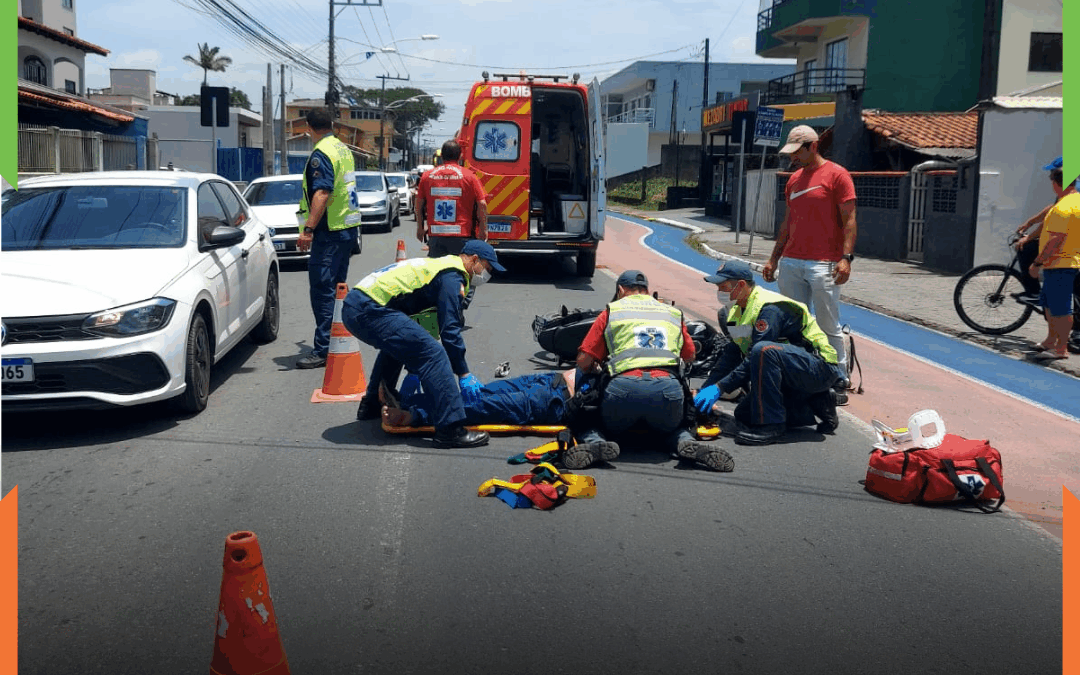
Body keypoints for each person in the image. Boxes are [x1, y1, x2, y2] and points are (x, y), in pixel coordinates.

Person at [343, 240, 505, 448]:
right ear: (475, 260)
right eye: (487, 268)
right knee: (434, 354)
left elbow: (421, 327)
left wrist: (413, 368)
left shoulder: (440, 266)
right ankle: (450, 428)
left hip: (356, 305)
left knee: (399, 345)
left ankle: (372, 405)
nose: (486, 275)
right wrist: (463, 374)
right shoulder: (452, 277)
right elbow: (449, 331)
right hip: (369, 308)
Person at [572, 270, 735, 473]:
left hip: (622, 394)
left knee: (587, 410)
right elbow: (690, 356)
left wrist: (601, 365)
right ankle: (683, 441)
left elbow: (583, 361)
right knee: (674, 427)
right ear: (648, 291)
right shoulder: (672, 313)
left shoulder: (612, 311)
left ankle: (595, 440)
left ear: (620, 289)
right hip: (667, 394)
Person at [694, 260, 844, 446]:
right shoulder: (737, 312)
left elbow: (756, 358)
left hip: (819, 368)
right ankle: (817, 400)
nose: (719, 292)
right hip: (794, 371)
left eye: (723, 287)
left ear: (741, 285)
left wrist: (720, 388)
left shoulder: (769, 309)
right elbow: (732, 354)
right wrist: (706, 389)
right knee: (744, 415)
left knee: (762, 350)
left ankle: (773, 426)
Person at [761, 125, 856, 403]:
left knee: (827, 322)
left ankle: (838, 373)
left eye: (796, 152)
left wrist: (846, 258)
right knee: (793, 322)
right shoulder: (794, 181)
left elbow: (850, 220)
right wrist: (774, 258)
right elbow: (788, 223)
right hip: (791, 261)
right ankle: (801, 370)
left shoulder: (838, 176)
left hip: (824, 263)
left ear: (813, 146)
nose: (792, 158)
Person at [294, 107, 362, 369]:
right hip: (346, 230)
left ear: (308, 127)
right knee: (337, 290)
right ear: (332, 124)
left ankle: (323, 349)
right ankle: (338, 338)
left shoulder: (321, 153)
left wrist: (308, 229)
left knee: (323, 291)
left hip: (329, 232)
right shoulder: (342, 149)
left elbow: (322, 192)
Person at [415, 139, 489, 309]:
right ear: (460, 155)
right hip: (462, 237)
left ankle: (440, 306)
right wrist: (483, 229)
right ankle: (460, 303)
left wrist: (420, 227)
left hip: (436, 237)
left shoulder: (428, 176)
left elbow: (418, 204)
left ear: (442, 155)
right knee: (471, 274)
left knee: (437, 274)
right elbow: (482, 204)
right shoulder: (469, 176)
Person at [1028, 175, 1080, 361]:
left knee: (1061, 308)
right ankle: (1051, 340)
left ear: (1057, 184)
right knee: (1049, 304)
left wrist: (1037, 262)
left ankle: (1061, 348)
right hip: (1063, 262)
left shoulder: (1063, 208)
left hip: (1060, 263)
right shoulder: (1075, 201)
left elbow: (1056, 240)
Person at [1013, 158, 1077, 305]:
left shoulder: (1070, 189)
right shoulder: (1069, 188)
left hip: (1068, 247)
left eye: (1052, 173)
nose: (1050, 176)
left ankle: (1034, 292)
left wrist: (1029, 238)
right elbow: (1051, 210)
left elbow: (1053, 223)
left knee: (1026, 249)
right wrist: (1030, 222)